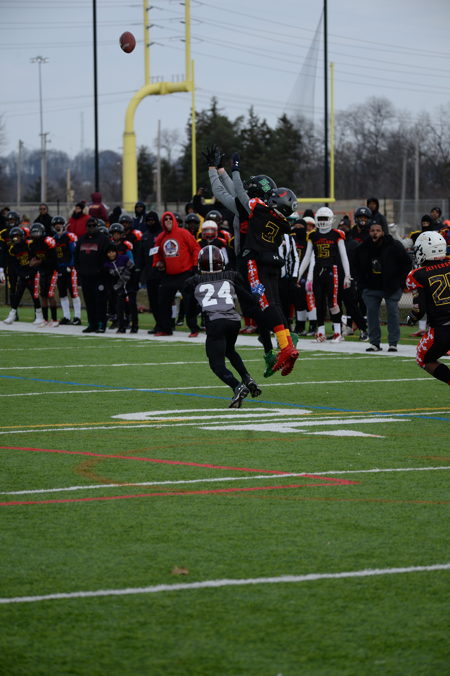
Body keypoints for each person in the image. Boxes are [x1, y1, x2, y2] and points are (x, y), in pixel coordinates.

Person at [184, 245, 262, 408]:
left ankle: (237, 386)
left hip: (215, 322)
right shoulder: (230, 276)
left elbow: (190, 309)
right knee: (229, 350)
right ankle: (247, 378)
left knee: (216, 364)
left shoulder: (194, 281)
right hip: (234, 321)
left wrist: (192, 323)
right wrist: (257, 295)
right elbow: (249, 298)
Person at [296, 206, 352, 343]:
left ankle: (338, 332)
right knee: (319, 303)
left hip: (332, 270)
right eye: (320, 218)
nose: (322, 221)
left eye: (325, 218)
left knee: (333, 303)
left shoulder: (337, 234)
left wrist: (347, 275)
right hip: (318, 271)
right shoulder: (313, 235)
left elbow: (344, 256)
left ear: (331, 219)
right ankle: (320, 332)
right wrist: (298, 275)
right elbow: (307, 257)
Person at [353, 221, 411, 352]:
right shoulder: (363, 247)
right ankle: (374, 343)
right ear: (369, 232)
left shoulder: (394, 245)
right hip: (371, 287)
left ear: (383, 232)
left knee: (393, 313)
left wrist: (401, 283)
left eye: (378, 230)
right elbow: (355, 266)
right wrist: (361, 284)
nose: (375, 233)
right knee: (372, 314)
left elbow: (407, 263)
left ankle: (393, 343)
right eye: (372, 230)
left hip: (391, 286)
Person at [406, 231, 450, 387]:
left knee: (423, 358)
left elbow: (419, 310)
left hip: (442, 329)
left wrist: (412, 317)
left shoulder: (417, 275)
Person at [151, 211, 201, 337]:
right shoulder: (161, 237)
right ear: (162, 222)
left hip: (185, 273)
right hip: (168, 274)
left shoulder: (183, 233)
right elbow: (157, 254)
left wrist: (195, 266)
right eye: (165, 219)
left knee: (189, 302)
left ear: (174, 220)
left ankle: (194, 329)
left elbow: (195, 248)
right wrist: (157, 264)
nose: (168, 221)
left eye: (170, 218)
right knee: (163, 301)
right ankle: (165, 328)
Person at [74, 217, 110, 333]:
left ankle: (101, 325)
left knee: (100, 302)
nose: (91, 228)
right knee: (89, 302)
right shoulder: (82, 239)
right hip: (85, 276)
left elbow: (108, 256)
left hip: (99, 277)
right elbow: (76, 256)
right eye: (89, 226)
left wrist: (102, 270)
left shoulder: (103, 239)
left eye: (94, 226)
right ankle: (92, 324)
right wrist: (79, 270)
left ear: (97, 226)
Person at [2, 226, 44, 325]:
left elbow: (36, 259)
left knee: (35, 295)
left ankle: (39, 316)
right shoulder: (13, 249)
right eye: (14, 237)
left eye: (17, 236)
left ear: (22, 236)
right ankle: (12, 315)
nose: (16, 239)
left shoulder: (29, 245)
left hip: (33, 273)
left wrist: (31, 273)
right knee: (18, 294)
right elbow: (15, 265)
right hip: (23, 273)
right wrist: (22, 274)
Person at [52, 215, 82, 326]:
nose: (58, 226)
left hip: (70, 268)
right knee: (62, 293)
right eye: (56, 224)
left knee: (73, 292)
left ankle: (77, 317)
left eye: (59, 223)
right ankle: (66, 316)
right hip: (59, 268)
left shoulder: (70, 236)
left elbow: (74, 252)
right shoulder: (53, 239)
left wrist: (72, 266)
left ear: (64, 225)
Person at [28, 222, 59, 326]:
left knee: (50, 295)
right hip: (42, 271)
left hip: (52, 270)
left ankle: (54, 320)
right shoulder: (32, 244)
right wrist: (32, 262)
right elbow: (31, 259)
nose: (36, 235)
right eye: (34, 233)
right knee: (43, 295)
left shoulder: (48, 241)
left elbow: (54, 260)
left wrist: (39, 261)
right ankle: (45, 319)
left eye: (37, 233)